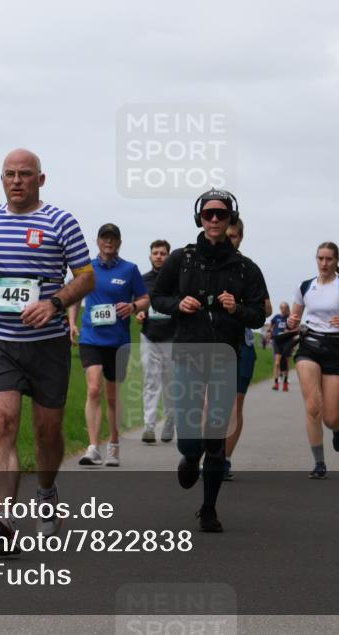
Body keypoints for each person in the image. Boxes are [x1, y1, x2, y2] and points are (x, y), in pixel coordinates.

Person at [0, 149, 95, 549]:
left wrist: (53, 304)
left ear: (41, 179)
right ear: (1, 179)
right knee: (0, 425)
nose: (17, 181)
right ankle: (3, 520)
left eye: (25, 174)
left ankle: (47, 491)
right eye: (9, 174)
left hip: (48, 344)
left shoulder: (61, 222)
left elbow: (85, 278)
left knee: (47, 431)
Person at [151, 189, 267, 532]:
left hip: (225, 358)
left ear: (231, 217)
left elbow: (259, 314)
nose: (214, 219)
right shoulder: (180, 259)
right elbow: (157, 297)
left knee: (216, 437)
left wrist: (237, 309)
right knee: (190, 438)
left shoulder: (246, 269)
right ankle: (189, 456)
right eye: (208, 214)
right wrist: (178, 304)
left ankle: (209, 509)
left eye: (221, 214)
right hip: (188, 354)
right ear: (199, 218)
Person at [68, 223, 149, 467]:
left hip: (118, 340)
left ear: (119, 242)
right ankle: (93, 447)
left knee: (113, 396)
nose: (109, 242)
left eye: (113, 238)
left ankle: (113, 445)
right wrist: (72, 323)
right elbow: (74, 295)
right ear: (98, 241)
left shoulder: (130, 270)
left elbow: (145, 299)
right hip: (91, 337)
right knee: (93, 389)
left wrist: (133, 306)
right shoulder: (86, 269)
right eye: (105, 237)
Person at [287, 241, 339, 479]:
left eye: (328, 259)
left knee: (330, 417)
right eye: (320, 259)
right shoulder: (304, 287)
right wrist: (292, 323)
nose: (324, 263)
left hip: (336, 347)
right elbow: (295, 318)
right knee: (313, 407)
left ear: (336, 261)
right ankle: (319, 463)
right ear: (316, 259)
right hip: (309, 345)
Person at [223, 219, 271, 481]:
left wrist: (239, 305)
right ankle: (208, 452)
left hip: (243, 344)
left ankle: (225, 460)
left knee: (234, 406)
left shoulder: (248, 269)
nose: (229, 240)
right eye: (226, 235)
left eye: (234, 236)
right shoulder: (205, 265)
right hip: (212, 344)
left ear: (240, 237)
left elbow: (266, 309)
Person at [136, 239, 177, 444]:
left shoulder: (176, 280)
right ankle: (149, 426)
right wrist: (140, 313)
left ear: (168, 256)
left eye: (162, 253)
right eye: (155, 253)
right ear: (150, 256)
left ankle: (170, 419)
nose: (159, 256)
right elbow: (139, 305)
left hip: (171, 337)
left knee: (170, 383)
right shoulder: (143, 281)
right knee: (151, 381)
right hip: (149, 336)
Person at [269, 303, 297, 391]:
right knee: (277, 362)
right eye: (281, 308)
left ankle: (285, 383)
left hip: (287, 341)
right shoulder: (276, 317)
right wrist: (270, 332)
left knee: (286, 362)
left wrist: (289, 331)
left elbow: (297, 328)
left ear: (287, 308)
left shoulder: (290, 318)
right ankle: (276, 383)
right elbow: (271, 326)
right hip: (277, 340)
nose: (283, 309)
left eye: (284, 308)